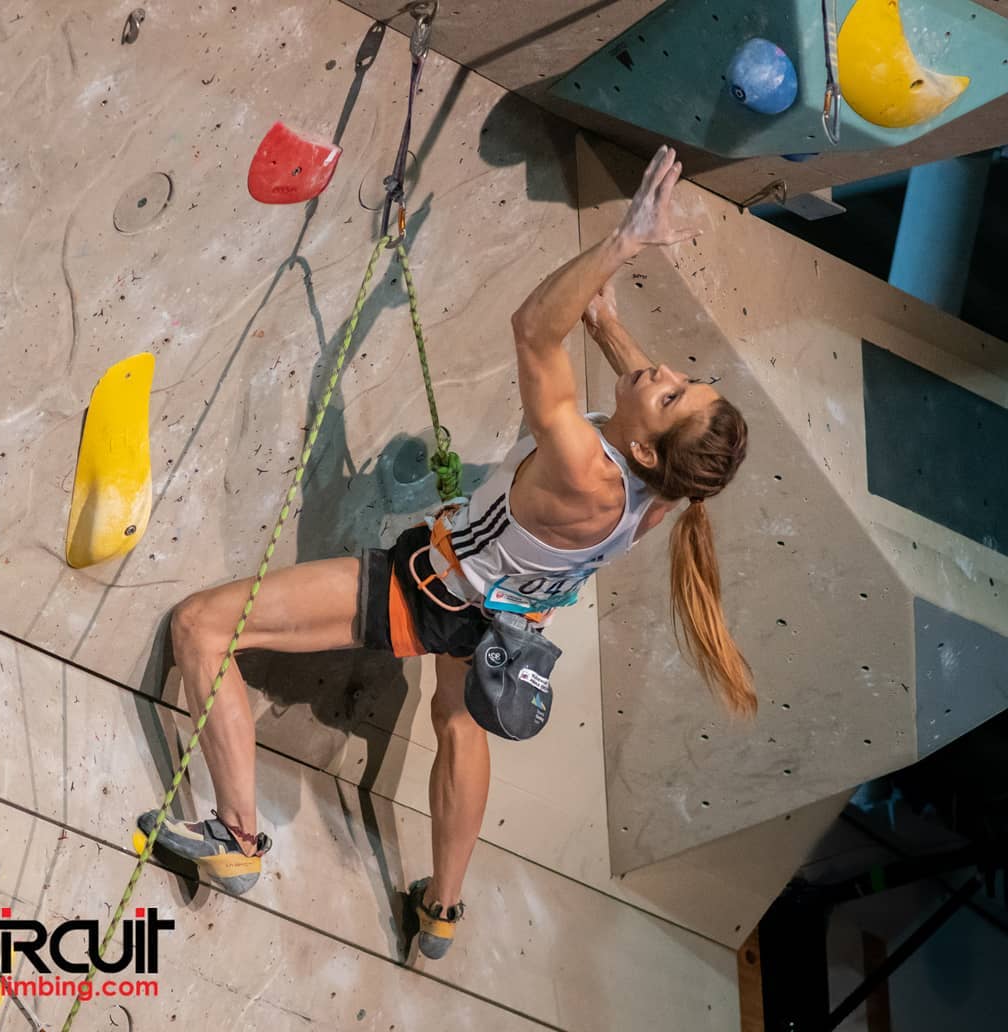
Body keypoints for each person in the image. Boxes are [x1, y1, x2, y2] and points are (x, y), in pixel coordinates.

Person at [136, 145, 753, 960]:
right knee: (459, 725)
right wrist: (604, 311)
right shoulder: (667, 491)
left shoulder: (583, 468)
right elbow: (622, 362)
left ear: (645, 448)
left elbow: (534, 331)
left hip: (426, 593)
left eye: (674, 391)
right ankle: (443, 911)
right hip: (501, 619)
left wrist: (622, 245)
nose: (664, 370)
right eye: (687, 377)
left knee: (204, 627)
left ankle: (237, 837)